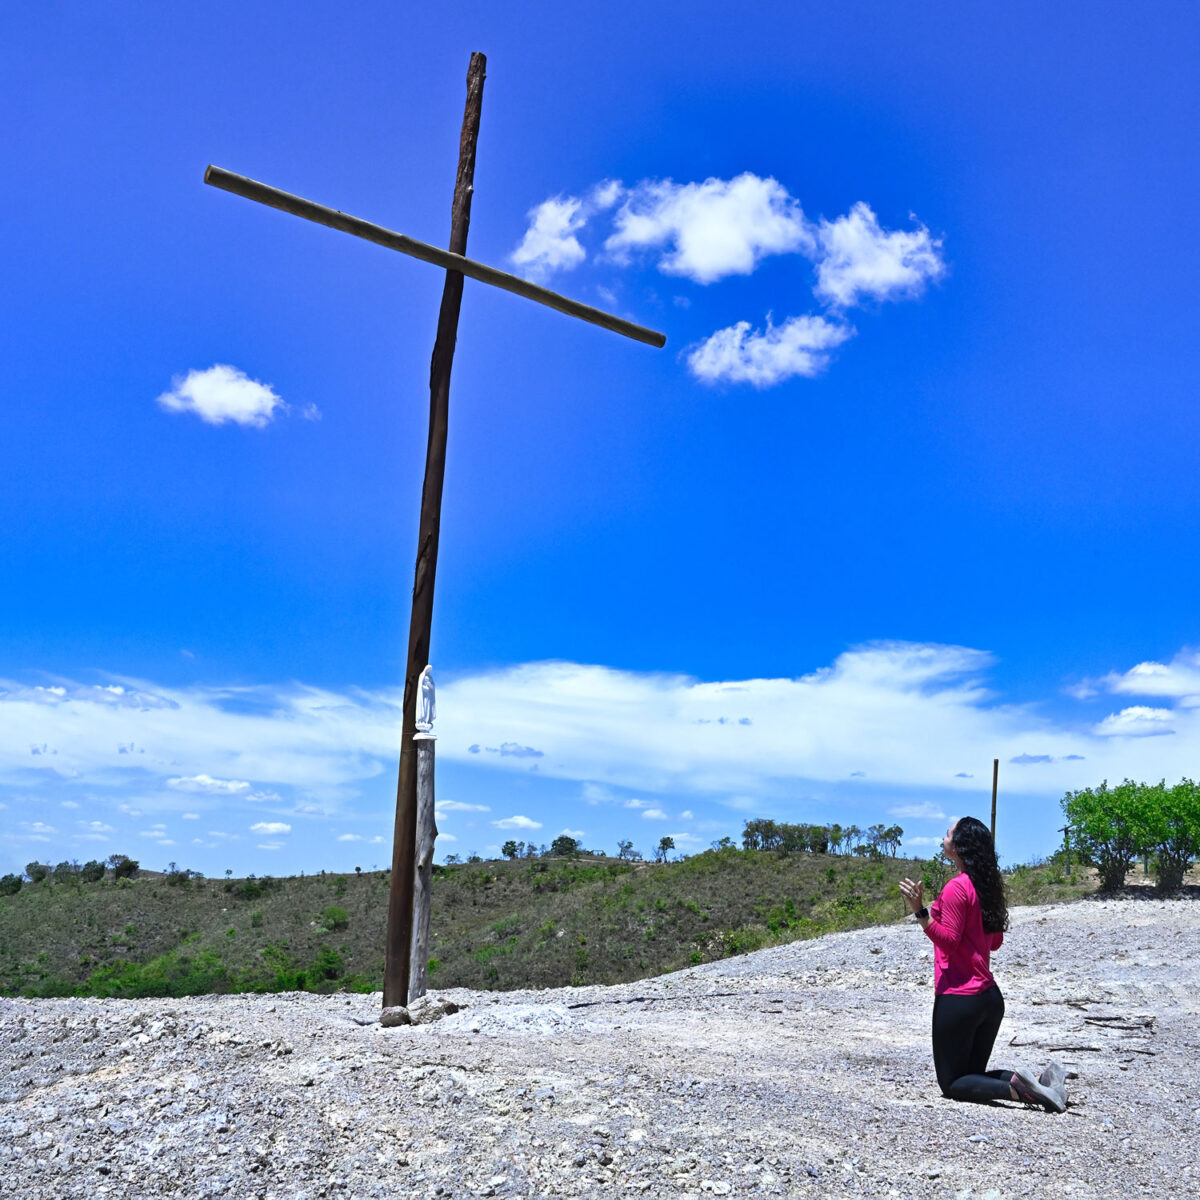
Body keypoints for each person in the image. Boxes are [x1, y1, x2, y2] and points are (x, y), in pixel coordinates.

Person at [899, 816, 1067, 1112]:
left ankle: (1027, 1093)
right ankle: (1043, 1082)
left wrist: (920, 913)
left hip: (960, 998)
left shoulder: (956, 887)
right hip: (989, 999)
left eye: (948, 833)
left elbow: (949, 942)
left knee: (952, 1083)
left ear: (958, 846)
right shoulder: (985, 887)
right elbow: (995, 942)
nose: (943, 837)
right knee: (971, 1077)